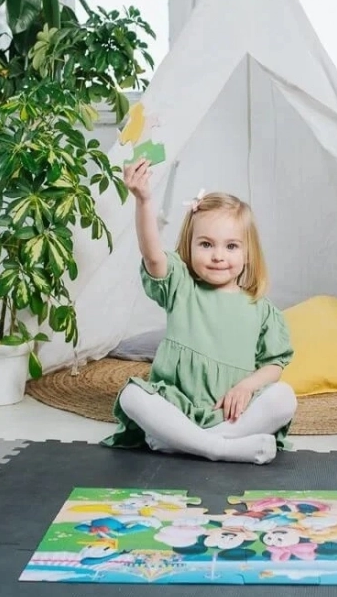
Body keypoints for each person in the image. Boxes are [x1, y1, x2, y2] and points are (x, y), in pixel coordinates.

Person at [101, 159, 297, 465]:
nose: (219, 256)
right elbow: (152, 257)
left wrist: (247, 386)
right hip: (178, 407)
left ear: (247, 253)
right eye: (206, 244)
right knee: (131, 396)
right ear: (189, 246)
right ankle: (219, 448)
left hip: (229, 412)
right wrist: (144, 201)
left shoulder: (262, 310)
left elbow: (274, 364)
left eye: (231, 246)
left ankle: (183, 441)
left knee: (284, 397)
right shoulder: (181, 287)